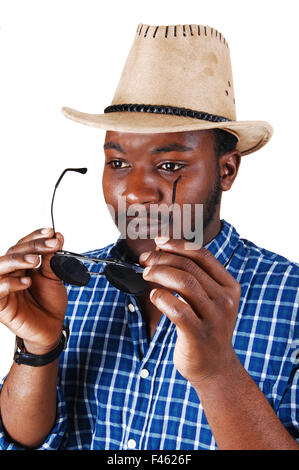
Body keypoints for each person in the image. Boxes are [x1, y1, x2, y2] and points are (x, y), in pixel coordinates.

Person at [0, 23, 298, 451]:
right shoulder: (64, 284)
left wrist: (218, 372)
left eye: (170, 166)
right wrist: (37, 348)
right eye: (118, 164)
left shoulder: (293, 299)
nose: (136, 192)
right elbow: (24, 440)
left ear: (227, 170)